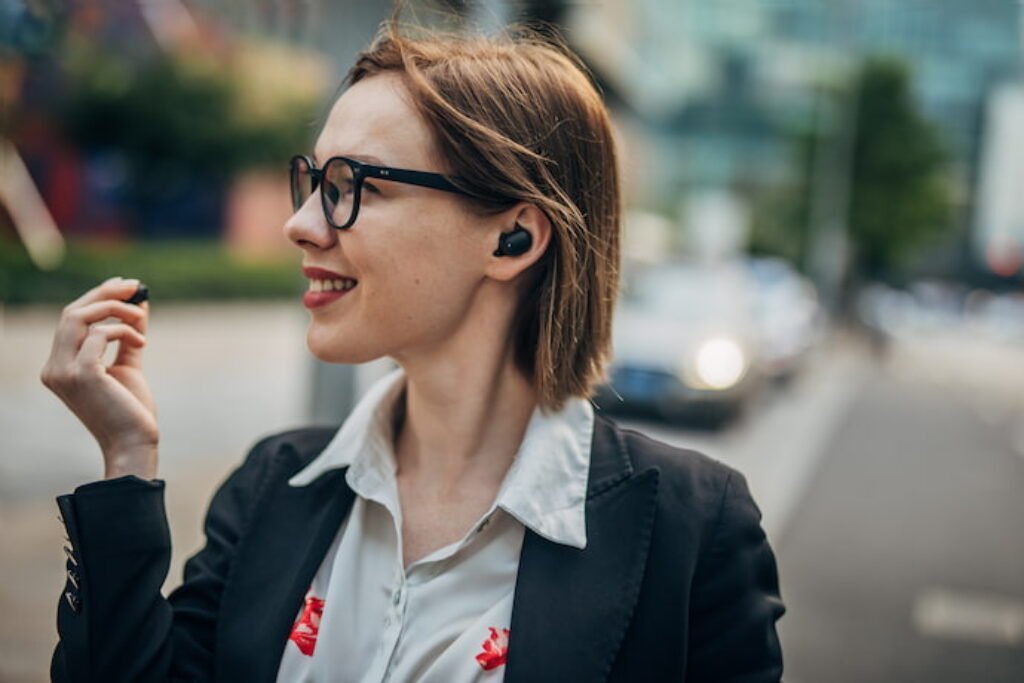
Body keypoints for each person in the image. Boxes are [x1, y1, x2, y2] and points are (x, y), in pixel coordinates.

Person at [41, 19, 785, 683]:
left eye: (350, 184)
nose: (301, 224)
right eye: (311, 180)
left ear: (512, 235)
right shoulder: (275, 483)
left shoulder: (691, 532)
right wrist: (126, 463)